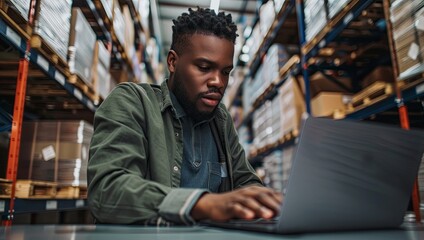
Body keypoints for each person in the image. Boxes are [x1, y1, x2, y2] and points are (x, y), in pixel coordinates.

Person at [87, 7, 282, 225]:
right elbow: (108, 191)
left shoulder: (221, 120)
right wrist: (204, 204)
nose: (218, 82)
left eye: (225, 72)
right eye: (204, 67)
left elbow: (245, 181)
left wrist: (266, 203)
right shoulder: (132, 102)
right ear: (172, 62)